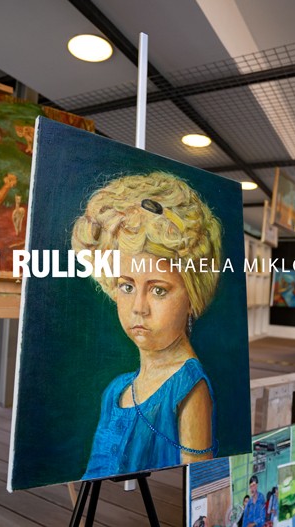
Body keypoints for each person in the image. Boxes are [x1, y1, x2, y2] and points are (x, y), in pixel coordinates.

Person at [72, 172, 222, 479]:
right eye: (127, 287)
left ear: (192, 295)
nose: (139, 307)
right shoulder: (116, 390)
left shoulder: (188, 387)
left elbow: (198, 483)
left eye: (158, 290)